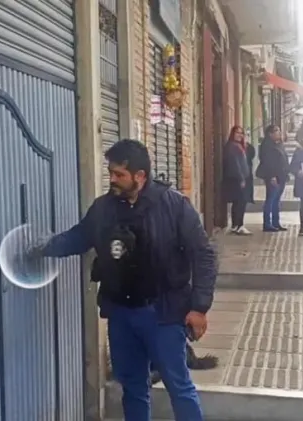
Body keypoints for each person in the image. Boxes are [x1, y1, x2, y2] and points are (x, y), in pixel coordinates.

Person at [36, 139, 217, 421]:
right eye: (111, 173)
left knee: (178, 386)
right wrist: (44, 248)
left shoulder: (174, 206)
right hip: (121, 314)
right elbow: (79, 237)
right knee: (132, 388)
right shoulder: (104, 208)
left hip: (164, 314)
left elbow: (204, 255)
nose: (113, 180)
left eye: (119, 174)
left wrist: (199, 307)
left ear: (140, 176)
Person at [255, 125, 290, 232]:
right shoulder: (267, 146)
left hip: (282, 176)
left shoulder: (279, 144)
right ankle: (267, 223)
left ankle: (276, 222)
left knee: (276, 200)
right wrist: (271, 176)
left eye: (279, 130)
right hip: (273, 177)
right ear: (270, 134)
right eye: (276, 131)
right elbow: (268, 163)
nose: (279, 133)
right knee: (270, 200)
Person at [223, 126, 252, 235]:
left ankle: (236, 225)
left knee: (238, 202)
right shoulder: (232, 147)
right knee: (240, 202)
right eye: (237, 133)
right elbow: (235, 164)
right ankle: (239, 225)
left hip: (240, 178)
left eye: (241, 133)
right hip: (237, 179)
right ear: (232, 134)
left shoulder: (238, 146)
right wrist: (241, 178)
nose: (240, 135)